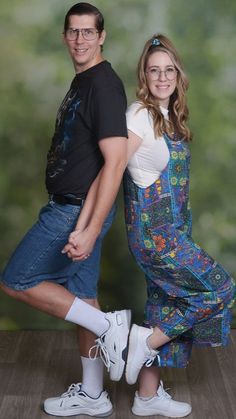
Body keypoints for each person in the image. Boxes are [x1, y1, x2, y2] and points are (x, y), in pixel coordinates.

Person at [0, 2, 130, 417]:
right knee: (83, 298)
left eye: (88, 32)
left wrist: (89, 228)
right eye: (73, 32)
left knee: (16, 281)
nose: (79, 39)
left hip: (72, 212)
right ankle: (94, 395)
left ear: (102, 36)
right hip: (71, 207)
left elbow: (116, 161)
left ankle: (113, 328)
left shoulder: (103, 85)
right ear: (64, 36)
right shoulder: (84, 81)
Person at [123, 34, 235, 417]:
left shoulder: (171, 117)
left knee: (165, 302)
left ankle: (147, 397)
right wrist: (87, 222)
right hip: (156, 236)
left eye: (168, 69)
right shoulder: (138, 115)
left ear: (178, 74)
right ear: (144, 75)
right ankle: (146, 341)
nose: (162, 77)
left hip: (174, 232)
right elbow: (111, 169)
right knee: (219, 289)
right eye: (154, 70)